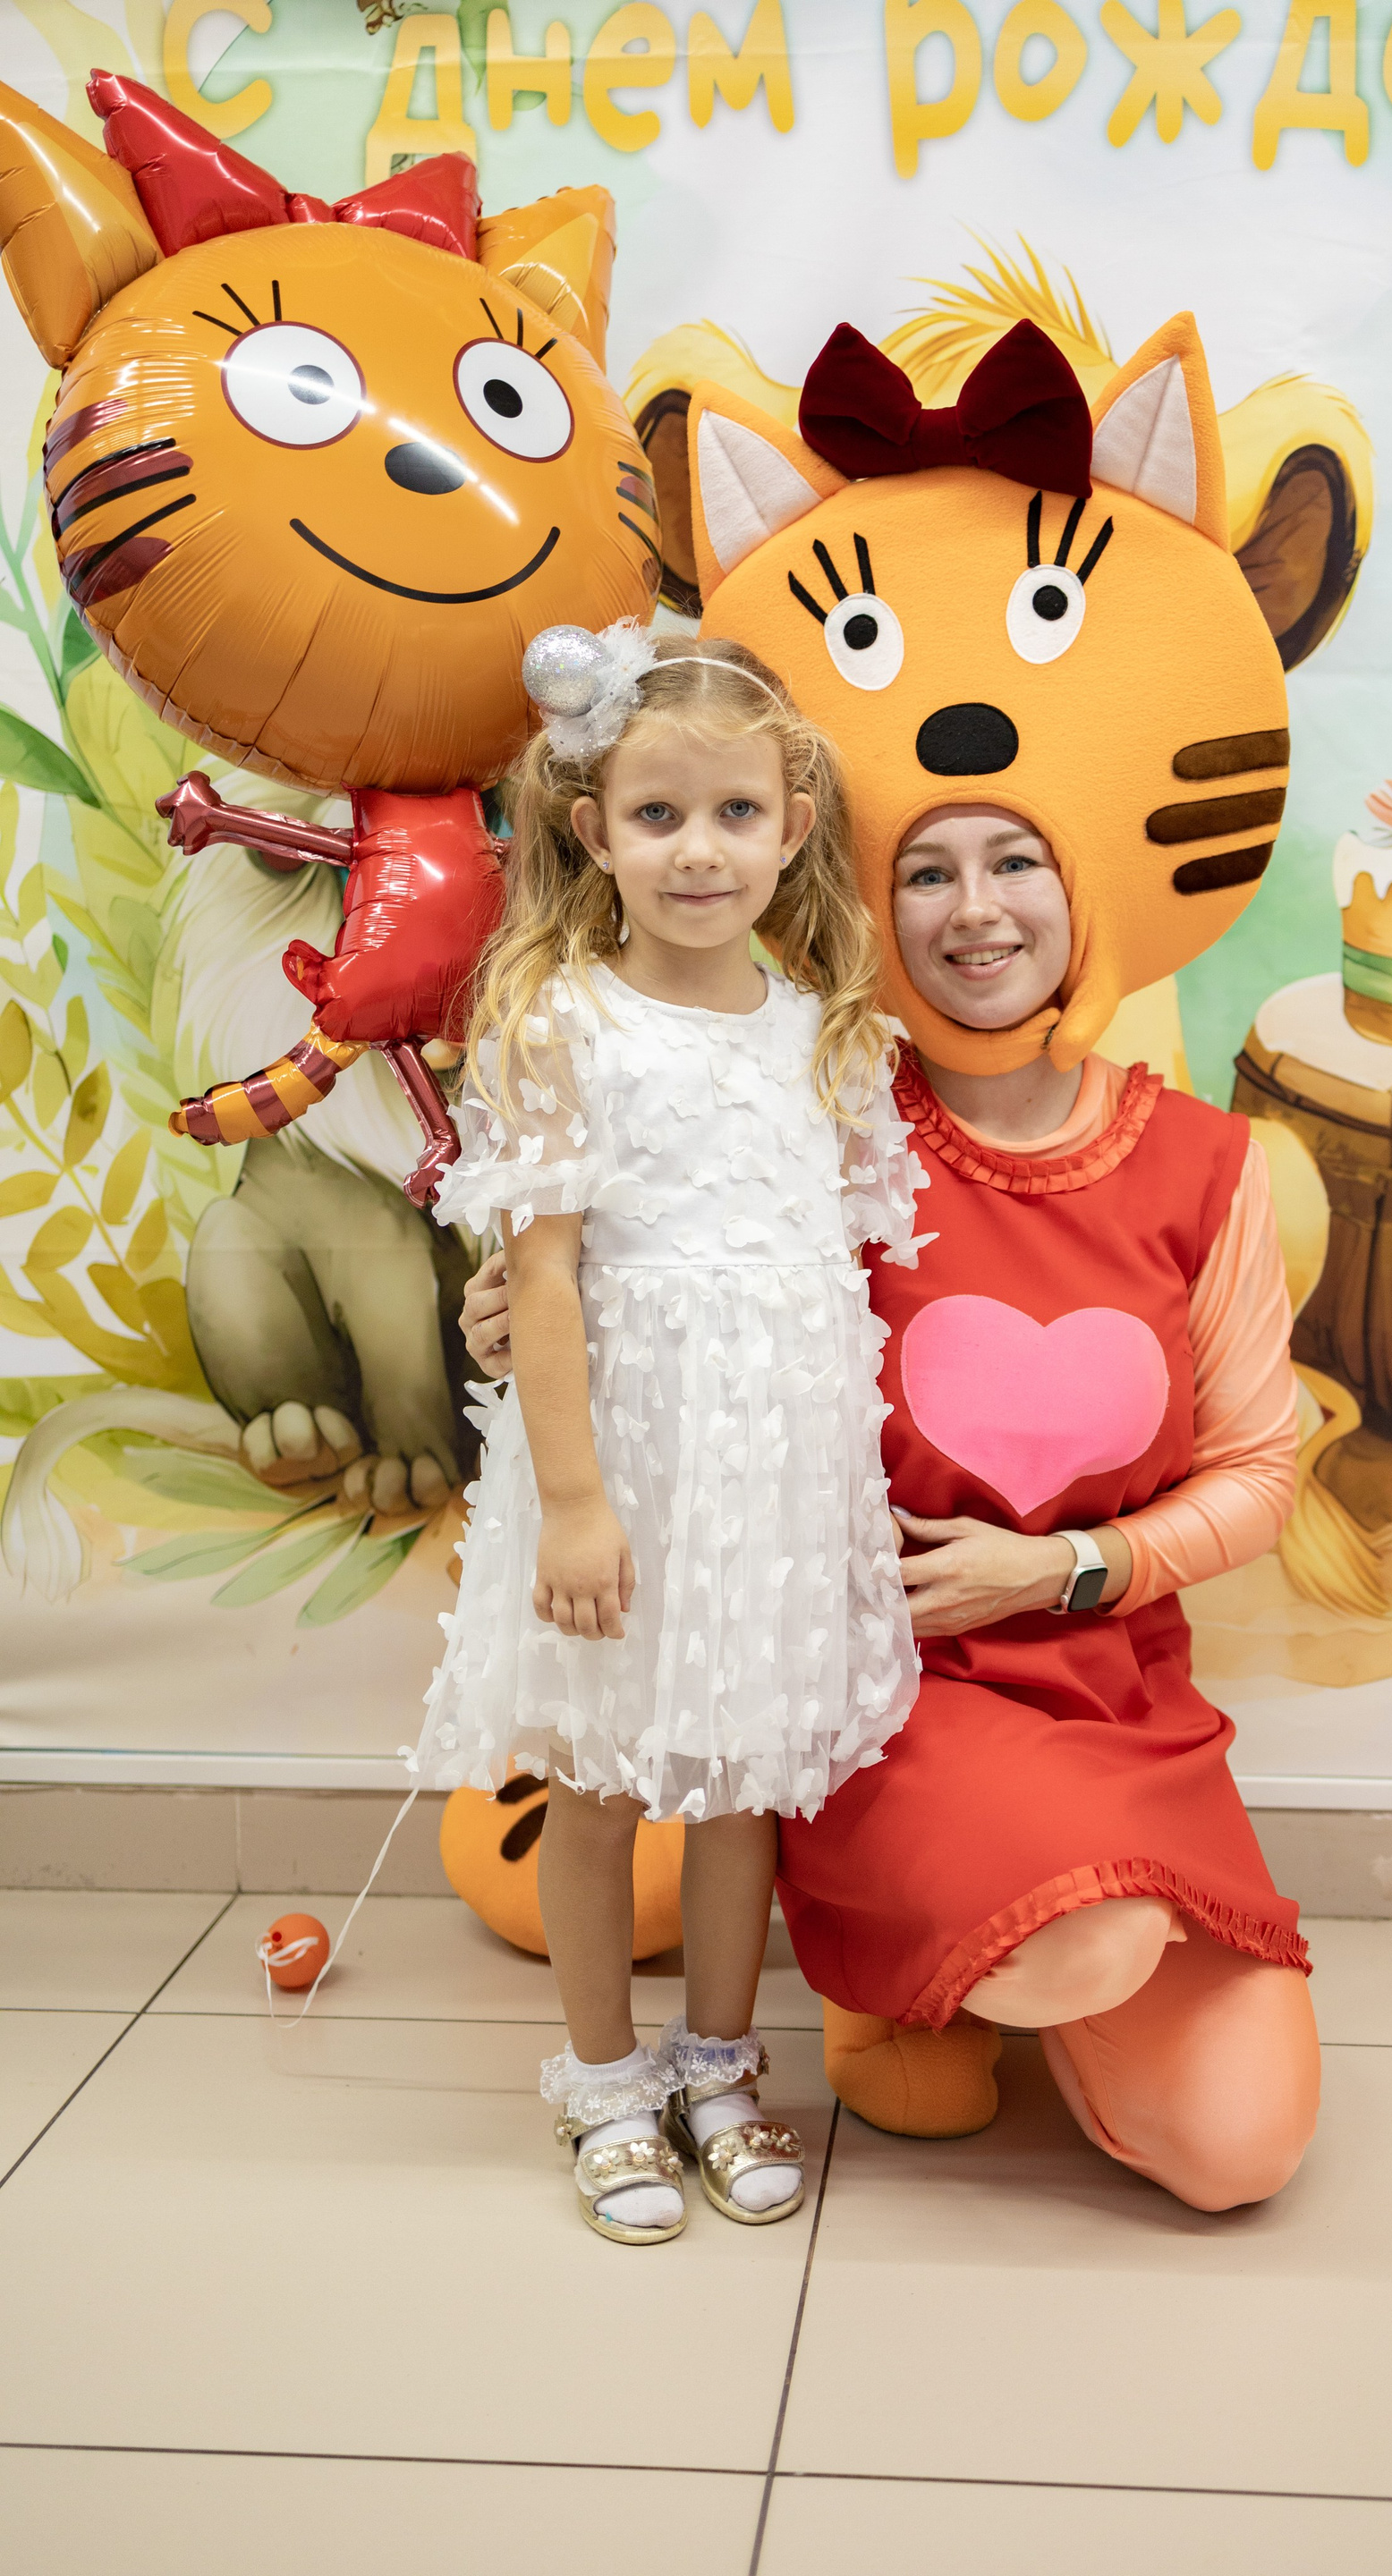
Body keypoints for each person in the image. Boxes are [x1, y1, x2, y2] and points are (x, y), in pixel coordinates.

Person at [462, 795, 1320, 2214]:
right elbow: (664, 1291)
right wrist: (527, 1314)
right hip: (877, 1682)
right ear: (874, 908)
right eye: (928, 873)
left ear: (1082, 891)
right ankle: (900, 1969)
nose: (976, 909)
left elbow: (1260, 1473)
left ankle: (1014, 1937)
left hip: (1112, 1688)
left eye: (1017, 861)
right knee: (1077, 1942)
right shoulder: (826, 1108)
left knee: (1240, 2149)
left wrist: (1069, 1568)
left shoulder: (1207, 1163)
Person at [416, 626, 924, 2247]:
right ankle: (603, 2079)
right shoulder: (559, 1024)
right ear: (592, 832)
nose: (698, 851)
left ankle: (716, 2062)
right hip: (624, 1459)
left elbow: (829, 1278)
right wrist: (576, 1502)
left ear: (792, 827)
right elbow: (542, 1279)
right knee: (596, 1774)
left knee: (735, 1780)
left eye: (733, 814)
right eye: (657, 817)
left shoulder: (826, 1028)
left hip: (766, 1469)